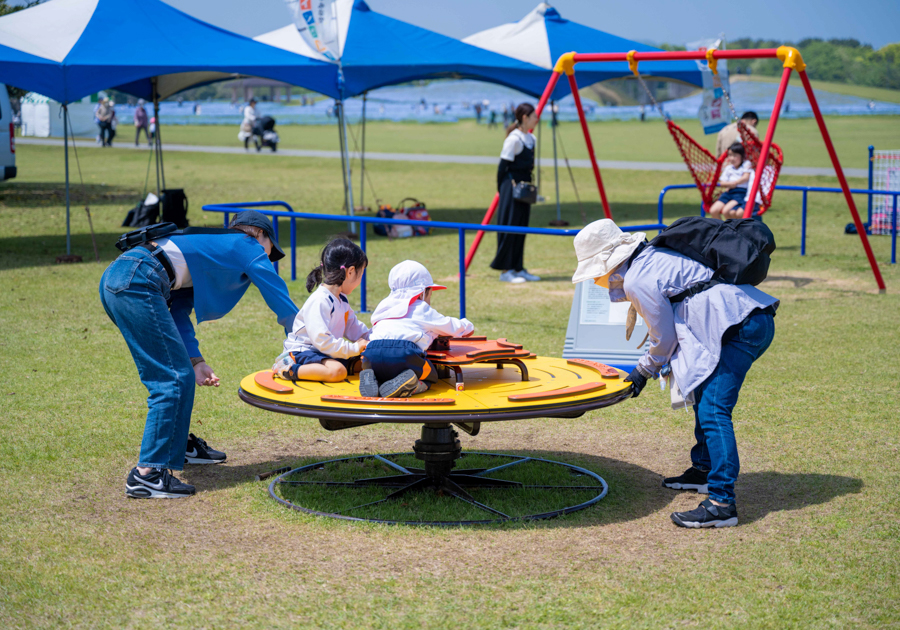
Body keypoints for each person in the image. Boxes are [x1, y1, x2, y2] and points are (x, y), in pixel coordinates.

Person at [571, 219, 778, 528]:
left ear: (607, 264)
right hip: (743, 320)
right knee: (704, 396)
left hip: (739, 327)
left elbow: (664, 338)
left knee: (713, 409)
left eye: (595, 273)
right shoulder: (650, 257)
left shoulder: (637, 279)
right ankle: (703, 471)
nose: (596, 281)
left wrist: (642, 372)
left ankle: (722, 503)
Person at [100, 211, 298, 499]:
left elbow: (177, 311)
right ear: (259, 234)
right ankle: (148, 475)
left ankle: (177, 447)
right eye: (270, 250)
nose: (268, 258)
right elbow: (278, 294)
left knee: (179, 372)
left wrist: (197, 361)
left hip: (121, 277)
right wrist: (300, 340)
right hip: (139, 280)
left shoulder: (205, 248)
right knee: (171, 379)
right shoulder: (246, 243)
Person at [359, 261, 474, 399]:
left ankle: (370, 376)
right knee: (430, 374)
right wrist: (467, 326)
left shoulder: (383, 306)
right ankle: (411, 383)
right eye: (430, 295)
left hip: (372, 354)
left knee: (385, 369)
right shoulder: (421, 309)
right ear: (421, 293)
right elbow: (451, 326)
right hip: (404, 353)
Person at [273, 238, 369, 383]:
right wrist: (354, 348)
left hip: (325, 353)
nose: (361, 279)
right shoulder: (320, 300)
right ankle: (288, 369)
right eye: (361, 274)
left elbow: (355, 329)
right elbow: (322, 341)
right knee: (337, 371)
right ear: (350, 272)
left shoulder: (341, 299)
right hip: (303, 352)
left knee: (366, 363)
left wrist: (376, 340)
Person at [491, 103, 541, 284]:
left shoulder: (531, 138)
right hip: (510, 188)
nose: (537, 119)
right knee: (509, 227)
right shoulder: (513, 139)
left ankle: (519, 267)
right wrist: (502, 191)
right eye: (534, 116)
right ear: (525, 118)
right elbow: (501, 168)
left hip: (524, 189)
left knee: (521, 227)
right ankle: (506, 270)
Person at [707, 143, 752, 219]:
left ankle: (730, 229)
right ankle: (722, 229)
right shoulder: (729, 168)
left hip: (740, 193)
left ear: (742, 156)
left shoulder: (746, 164)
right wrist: (730, 184)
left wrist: (735, 183)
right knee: (713, 210)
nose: (732, 158)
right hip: (728, 193)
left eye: (735, 156)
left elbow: (746, 177)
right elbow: (722, 183)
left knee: (726, 211)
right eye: (730, 155)